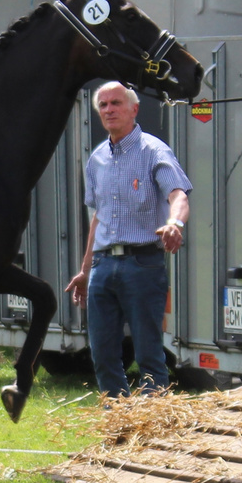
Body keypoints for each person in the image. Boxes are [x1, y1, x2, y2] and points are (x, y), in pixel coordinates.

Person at [64, 81, 191, 397]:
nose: (109, 110)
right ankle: (118, 421)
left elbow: (178, 195)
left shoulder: (153, 151)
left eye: (116, 103)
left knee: (148, 355)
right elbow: (99, 216)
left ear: (133, 109)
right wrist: (85, 270)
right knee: (103, 354)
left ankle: (152, 426)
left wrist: (174, 223)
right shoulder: (96, 159)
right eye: (103, 105)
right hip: (103, 267)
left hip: (142, 264)